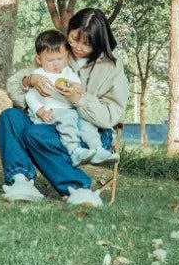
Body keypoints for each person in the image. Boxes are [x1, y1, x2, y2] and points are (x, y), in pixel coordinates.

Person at [0, 7, 129, 207]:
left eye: (87, 43)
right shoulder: (59, 51)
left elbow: (111, 116)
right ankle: (21, 180)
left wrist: (80, 99)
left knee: (36, 134)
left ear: (99, 41)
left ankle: (78, 188)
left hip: (91, 131)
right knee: (10, 116)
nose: (79, 47)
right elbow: (16, 90)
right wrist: (30, 80)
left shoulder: (112, 67)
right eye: (74, 39)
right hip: (49, 120)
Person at [24, 29, 119, 167]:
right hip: (49, 113)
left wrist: (77, 87)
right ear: (39, 59)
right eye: (50, 60)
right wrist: (40, 111)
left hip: (70, 110)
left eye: (60, 59)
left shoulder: (68, 73)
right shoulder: (39, 75)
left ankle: (97, 149)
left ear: (67, 56)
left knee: (86, 122)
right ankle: (74, 151)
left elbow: (78, 87)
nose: (56, 64)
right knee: (68, 118)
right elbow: (30, 96)